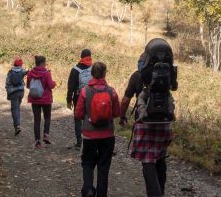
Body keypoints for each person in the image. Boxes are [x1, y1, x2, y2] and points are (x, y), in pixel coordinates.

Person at [120, 59, 174, 197]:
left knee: (148, 162)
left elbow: (126, 99)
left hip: (145, 124)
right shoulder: (168, 73)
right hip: (164, 124)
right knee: (160, 159)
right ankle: (160, 192)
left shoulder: (138, 76)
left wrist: (122, 116)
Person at [74, 61, 120, 197]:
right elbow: (117, 113)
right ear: (105, 74)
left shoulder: (85, 91)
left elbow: (78, 114)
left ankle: (88, 189)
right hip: (108, 135)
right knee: (103, 167)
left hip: (89, 135)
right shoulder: (112, 91)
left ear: (92, 73)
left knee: (88, 163)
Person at [26, 55, 56, 148]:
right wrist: (55, 83)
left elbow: (28, 85)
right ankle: (46, 135)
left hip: (34, 99)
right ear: (43, 63)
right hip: (46, 99)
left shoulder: (30, 73)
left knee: (37, 120)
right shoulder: (47, 73)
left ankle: (37, 141)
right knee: (47, 117)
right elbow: (51, 85)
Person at [67, 48, 93, 148]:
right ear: (90, 56)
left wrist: (69, 100)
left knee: (78, 119)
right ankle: (89, 141)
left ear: (81, 57)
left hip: (78, 97)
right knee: (90, 118)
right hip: (91, 97)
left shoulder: (75, 69)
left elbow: (70, 87)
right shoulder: (94, 68)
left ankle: (79, 142)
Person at [5, 57, 28, 135]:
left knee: (15, 109)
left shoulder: (10, 72)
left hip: (13, 93)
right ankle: (17, 124)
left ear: (14, 64)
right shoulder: (22, 71)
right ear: (21, 65)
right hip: (21, 92)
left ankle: (17, 126)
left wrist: (8, 90)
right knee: (17, 108)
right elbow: (28, 72)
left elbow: (7, 83)